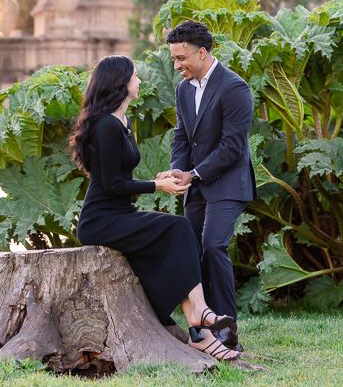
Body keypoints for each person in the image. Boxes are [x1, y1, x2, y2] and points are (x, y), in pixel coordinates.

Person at [72, 55, 241, 362]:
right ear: (121, 83)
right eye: (135, 76)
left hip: (121, 214)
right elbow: (111, 186)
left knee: (180, 230)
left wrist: (160, 178)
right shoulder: (106, 126)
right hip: (100, 219)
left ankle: (197, 330)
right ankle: (200, 318)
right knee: (178, 227)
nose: (139, 80)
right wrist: (155, 185)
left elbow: (122, 178)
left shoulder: (123, 122)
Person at [160, 20, 257, 352]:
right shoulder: (183, 89)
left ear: (202, 53)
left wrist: (194, 174)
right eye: (173, 59)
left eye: (181, 58)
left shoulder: (235, 88)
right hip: (197, 185)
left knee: (214, 245)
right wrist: (178, 170)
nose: (176, 66)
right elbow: (181, 135)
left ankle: (229, 331)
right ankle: (203, 326)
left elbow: (232, 147)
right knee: (192, 252)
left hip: (229, 183)